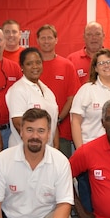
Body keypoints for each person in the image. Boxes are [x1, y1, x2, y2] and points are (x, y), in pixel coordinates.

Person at [70, 49, 110, 214]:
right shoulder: (87, 89)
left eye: (109, 62)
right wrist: (81, 151)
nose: (106, 66)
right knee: (90, 193)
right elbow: (75, 120)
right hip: (91, 150)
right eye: (101, 63)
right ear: (95, 68)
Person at [37, 24, 81, 157]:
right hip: (36, 131)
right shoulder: (32, 66)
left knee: (61, 169)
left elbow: (72, 97)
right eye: (43, 38)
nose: (46, 41)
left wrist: (58, 119)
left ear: (56, 40)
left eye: (49, 38)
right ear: (37, 41)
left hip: (62, 131)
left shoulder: (66, 65)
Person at [6, 47, 60, 148]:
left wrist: (55, 149)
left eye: (38, 62)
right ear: (22, 66)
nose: (35, 66)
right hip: (27, 150)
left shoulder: (47, 90)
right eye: (29, 64)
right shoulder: (18, 90)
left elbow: (53, 123)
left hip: (46, 150)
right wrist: (36, 150)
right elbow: (18, 124)